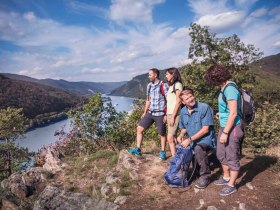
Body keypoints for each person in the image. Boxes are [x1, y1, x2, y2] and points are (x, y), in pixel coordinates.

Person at [204, 64, 244, 196]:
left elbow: (233, 114)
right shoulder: (224, 87)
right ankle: (226, 177)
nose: (211, 83)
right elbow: (229, 110)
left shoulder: (230, 89)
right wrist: (221, 114)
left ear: (216, 77)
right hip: (224, 124)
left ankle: (232, 185)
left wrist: (226, 133)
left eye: (211, 79)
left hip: (232, 128)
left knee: (232, 156)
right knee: (221, 153)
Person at [177, 86, 216, 189]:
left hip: (206, 140)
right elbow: (184, 128)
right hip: (193, 140)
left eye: (191, 96)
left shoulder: (204, 108)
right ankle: (186, 172)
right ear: (183, 102)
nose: (190, 99)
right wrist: (181, 135)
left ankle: (206, 176)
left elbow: (205, 129)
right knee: (181, 148)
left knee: (198, 148)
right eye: (187, 99)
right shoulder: (183, 111)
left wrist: (189, 140)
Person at [128, 68, 169, 160]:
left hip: (160, 113)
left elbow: (168, 100)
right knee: (139, 129)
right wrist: (144, 112)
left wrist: (166, 114)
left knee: (162, 133)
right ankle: (138, 149)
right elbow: (148, 100)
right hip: (150, 113)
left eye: (150, 75)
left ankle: (162, 152)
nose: (149, 76)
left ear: (155, 75)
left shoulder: (163, 85)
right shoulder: (149, 85)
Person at [165, 67, 183, 157]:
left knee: (170, 137)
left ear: (173, 74)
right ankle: (178, 157)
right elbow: (169, 102)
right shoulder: (171, 86)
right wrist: (166, 114)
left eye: (167, 74)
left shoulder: (178, 85)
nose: (166, 76)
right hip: (169, 113)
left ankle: (175, 160)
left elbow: (178, 101)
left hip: (174, 114)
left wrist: (173, 116)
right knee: (174, 136)